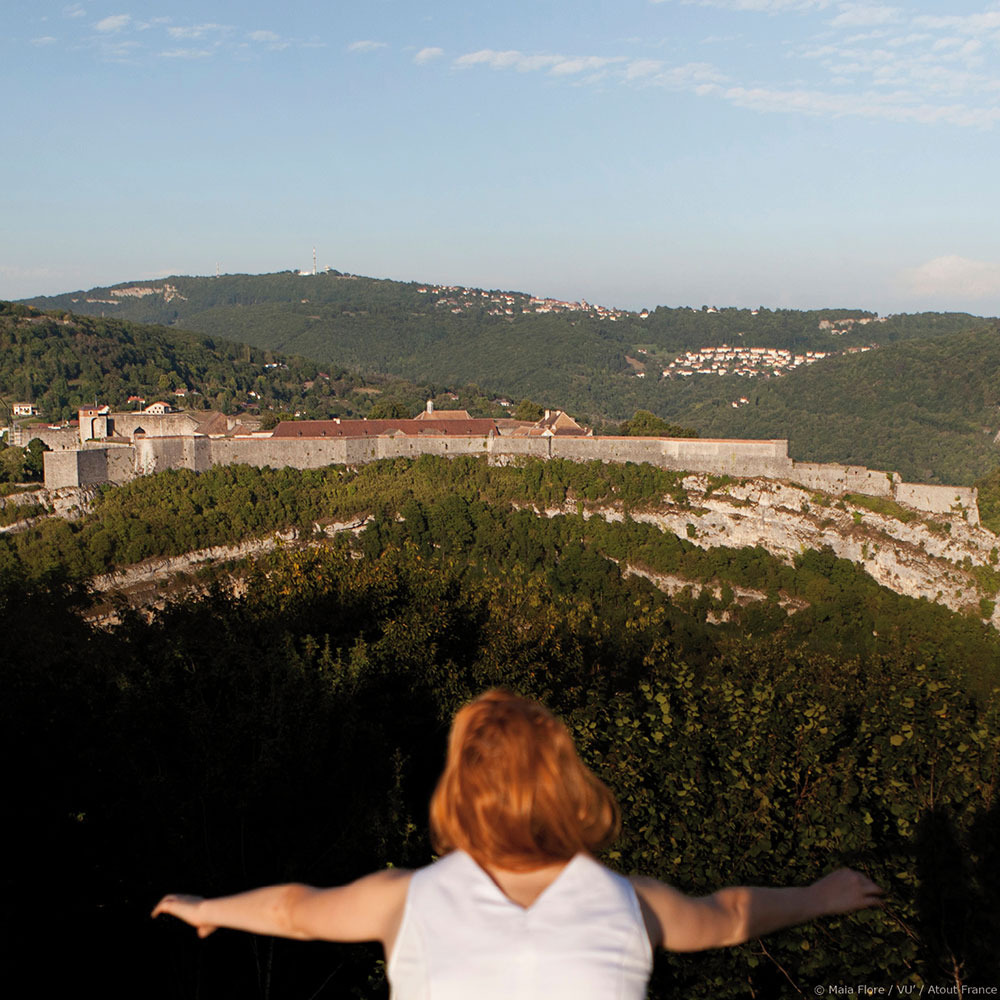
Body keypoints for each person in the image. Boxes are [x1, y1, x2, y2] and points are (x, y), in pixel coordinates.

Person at [153, 689, 882, 998]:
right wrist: (823, 896)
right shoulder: (631, 904)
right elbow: (730, 917)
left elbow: (292, 911)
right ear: (566, 789)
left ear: (457, 798)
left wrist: (208, 908)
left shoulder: (404, 902)